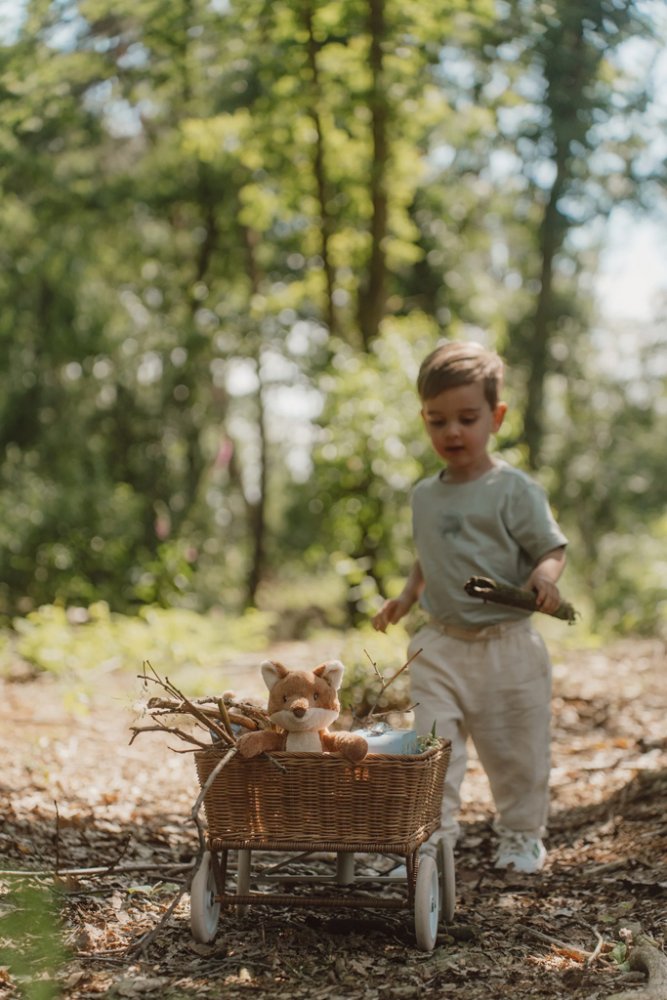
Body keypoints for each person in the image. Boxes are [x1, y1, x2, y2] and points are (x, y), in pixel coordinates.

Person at [372, 340, 567, 874]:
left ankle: (522, 835)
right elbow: (427, 557)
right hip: (441, 644)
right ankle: (432, 839)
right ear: (424, 420)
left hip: (509, 646)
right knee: (433, 748)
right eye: (437, 421)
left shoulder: (513, 490)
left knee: (517, 752)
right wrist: (405, 598)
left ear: (496, 417)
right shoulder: (424, 496)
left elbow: (551, 547)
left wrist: (544, 579)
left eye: (467, 418)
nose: (452, 432)